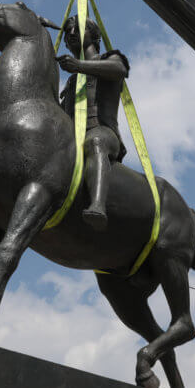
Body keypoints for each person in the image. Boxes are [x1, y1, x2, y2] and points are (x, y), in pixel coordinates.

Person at [57, 16, 130, 230]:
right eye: (68, 31)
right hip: (72, 140)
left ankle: (98, 205)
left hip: (103, 132)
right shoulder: (71, 82)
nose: (71, 34)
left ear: (94, 35)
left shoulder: (111, 58)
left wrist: (79, 65)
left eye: (77, 29)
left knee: (95, 141)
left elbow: (119, 71)